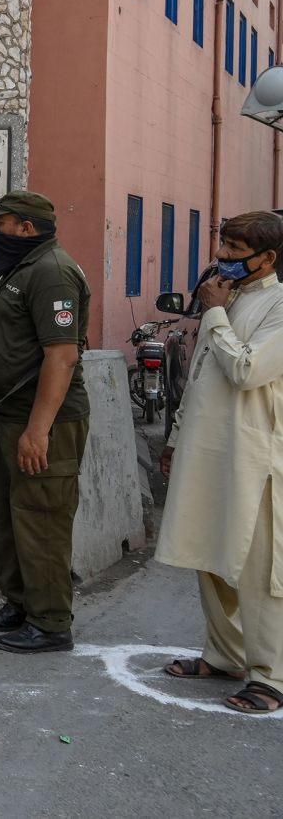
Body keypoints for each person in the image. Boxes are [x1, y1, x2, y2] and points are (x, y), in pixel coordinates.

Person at [156, 211, 283, 715]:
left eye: (235, 249)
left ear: (267, 258)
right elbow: (204, 373)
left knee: (255, 565)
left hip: (254, 458)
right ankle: (225, 654)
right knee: (209, 554)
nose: (223, 258)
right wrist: (174, 438)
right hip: (206, 450)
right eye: (223, 246)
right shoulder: (228, 299)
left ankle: (270, 675)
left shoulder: (276, 304)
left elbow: (247, 370)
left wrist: (214, 313)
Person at [0, 190, 91, 654]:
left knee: (40, 519)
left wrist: (38, 429)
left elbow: (61, 356)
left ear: (24, 226)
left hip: (43, 421)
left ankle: (50, 622)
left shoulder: (52, 272)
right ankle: (20, 602)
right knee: (3, 514)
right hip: (8, 414)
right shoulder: (24, 269)